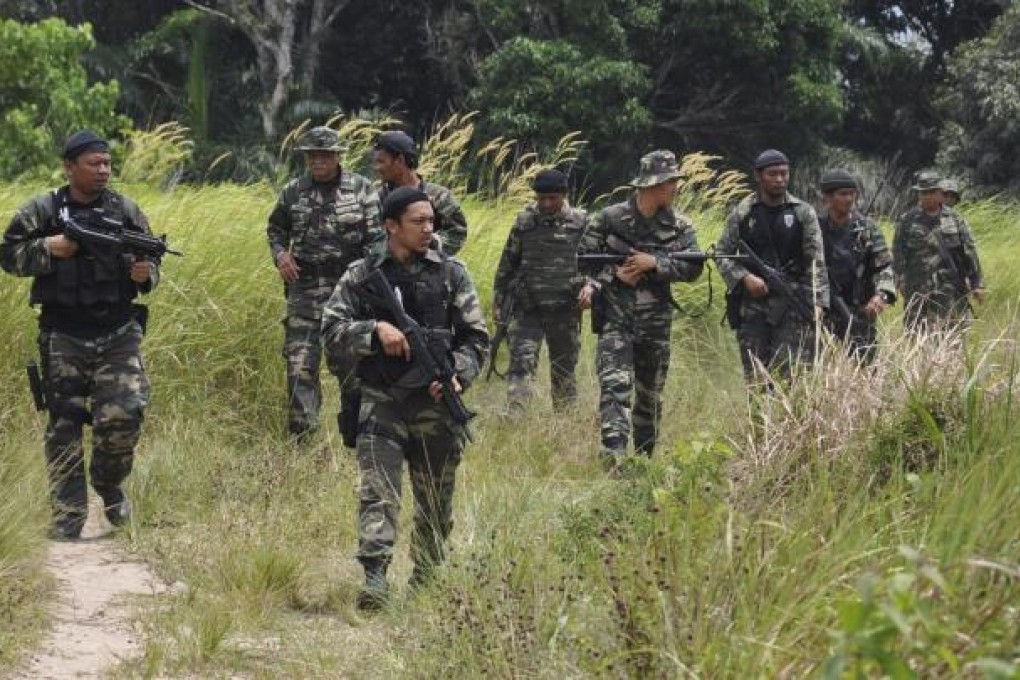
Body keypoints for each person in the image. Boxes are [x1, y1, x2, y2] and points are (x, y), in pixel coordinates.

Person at [321, 187, 489, 610]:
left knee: (436, 497)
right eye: (418, 222)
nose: (429, 229)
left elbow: (476, 339)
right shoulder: (361, 275)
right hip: (383, 400)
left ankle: (427, 576)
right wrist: (374, 330)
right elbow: (330, 330)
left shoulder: (452, 273)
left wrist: (458, 377)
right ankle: (375, 579)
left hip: (435, 405)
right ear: (390, 226)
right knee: (378, 490)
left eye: (432, 221)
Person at [1, 130, 158, 539]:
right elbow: (9, 255)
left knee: (124, 414)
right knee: (64, 425)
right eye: (94, 163)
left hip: (118, 332)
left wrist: (145, 274)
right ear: (70, 167)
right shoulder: (43, 210)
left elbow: (149, 262)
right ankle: (68, 514)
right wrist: (49, 248)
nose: (104, 170)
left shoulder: (124, 209)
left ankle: (108, 486)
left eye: (107, 163)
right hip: (63, 334)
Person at [576, 150, 703, 463]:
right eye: (670, 181)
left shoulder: (681, 226)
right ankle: (614, 460)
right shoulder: (609, 219)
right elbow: (581, 262)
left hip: (656, 326)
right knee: (614, 390)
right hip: (616, 321)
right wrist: (612, 276)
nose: (676, 187)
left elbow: (695, 267)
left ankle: (644, 463)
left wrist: (655, 264)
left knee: (650, 397)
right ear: (653, 185)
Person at [266, 126, 381, 442]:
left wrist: (363, 278)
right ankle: (303, 439)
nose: (318, 161)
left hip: (347, 292)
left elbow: (378, 242)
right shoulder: (294, 191)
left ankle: (356, 437)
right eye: (312, 155)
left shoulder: (361, 189)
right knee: (299, 365)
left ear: (337, 156)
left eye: (324, 155)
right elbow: (276, 229)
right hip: (304, 289)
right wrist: (280, 255)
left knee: (350, 367)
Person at [716, 149, 829, 382]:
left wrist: (818, 302)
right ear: (758, 176)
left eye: (784, 174)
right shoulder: (743, 212)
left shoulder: (802, 212)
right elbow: (722, 253)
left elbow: (816, 261)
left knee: (790, 376)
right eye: (773, 174)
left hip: (792, 302)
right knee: (756, 377)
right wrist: (745, 278)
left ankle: (787, 420)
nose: (780, 179)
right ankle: (758, 420)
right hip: (753, 307)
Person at [492, 169, 587, 414]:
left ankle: (565, 423)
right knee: (521, 364)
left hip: (565, 308)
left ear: (564, 195)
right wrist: (499, 300)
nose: (546, 203)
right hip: (527, 307)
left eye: (552, 198)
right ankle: (515, 416)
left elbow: (594, 263)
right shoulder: (524, 222)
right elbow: (507, 263)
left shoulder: (581, 223)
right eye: (541, 198)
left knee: (564, 368)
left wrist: (589, 287)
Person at [818, 169, 896, 362]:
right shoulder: (814, 228)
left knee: (864, 366)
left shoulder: (866, 228)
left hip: (859, 311)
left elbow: (885, 265)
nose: (849, 199)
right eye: (842, 194)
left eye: (852, 194)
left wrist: (882, 295)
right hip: (821, 311)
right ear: (827, 197)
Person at [893, 170, 984, 332]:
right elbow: (898, 252)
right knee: (917, 334)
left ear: (941, 194)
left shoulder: (955, 219)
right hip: (918, 288)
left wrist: (977, 283)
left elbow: (969, 252)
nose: (926, 196)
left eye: (931, 192)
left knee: (952, 335)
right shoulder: (907, 221)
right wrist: (898, 279)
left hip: (950, 288)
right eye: (923, 193)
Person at [373, 130, 469, 255]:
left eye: (381, 161)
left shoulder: (439, 196)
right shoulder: (376, 198)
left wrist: (427, 243)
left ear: (400, 160)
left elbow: (457, 233)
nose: (377, 168)